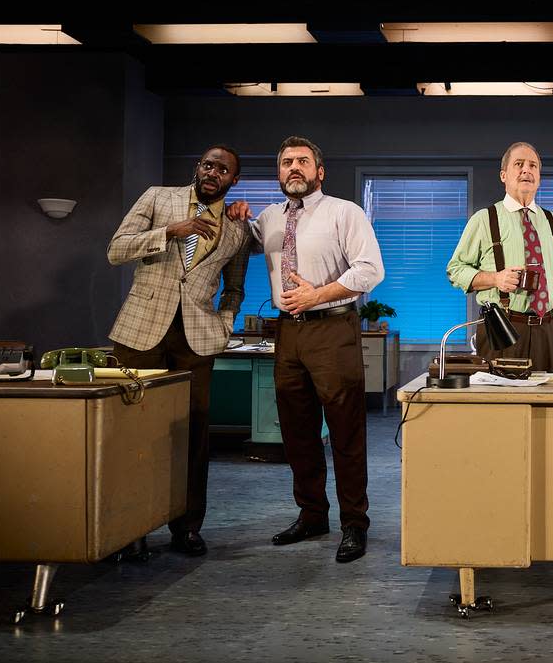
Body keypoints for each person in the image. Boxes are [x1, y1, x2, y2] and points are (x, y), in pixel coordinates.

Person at [107, 144, 251, 557]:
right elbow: (116, 249)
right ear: (197, 167)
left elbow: (235, 288)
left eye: (223, 169)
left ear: (233, 181)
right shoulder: (157, 197)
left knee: (192, 435)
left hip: (196, 340)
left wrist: (223, 325)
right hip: (139, 334)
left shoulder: (239, 229)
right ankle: (124, 528)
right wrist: (170, 232)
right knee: (128, 431)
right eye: (207, 164)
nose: (213, 172)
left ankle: (187, 527)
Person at [249, 136, 385, 563]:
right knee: (297, 431)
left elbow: (370, 270)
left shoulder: (345, 212)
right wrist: (237, 214)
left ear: (319, 172)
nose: (294, 168)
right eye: (286, 161)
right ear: (279, 173)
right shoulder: (269, 219)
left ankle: (354, 523)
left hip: (333, 328)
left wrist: (318, 295)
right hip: (287, 333)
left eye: (303, 161)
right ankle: (312, 515)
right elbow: (242, 243)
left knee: (345, 431)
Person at [447, 142, 553, 371]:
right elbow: (455, 270)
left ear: (539, 177)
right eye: (519, 164)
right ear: (504, 175)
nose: (527, 170)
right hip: (502, 329)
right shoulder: (484, 219)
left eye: (533, 166)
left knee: (548, 401)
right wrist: (495, 279)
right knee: (501, 403)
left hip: (548, 330)